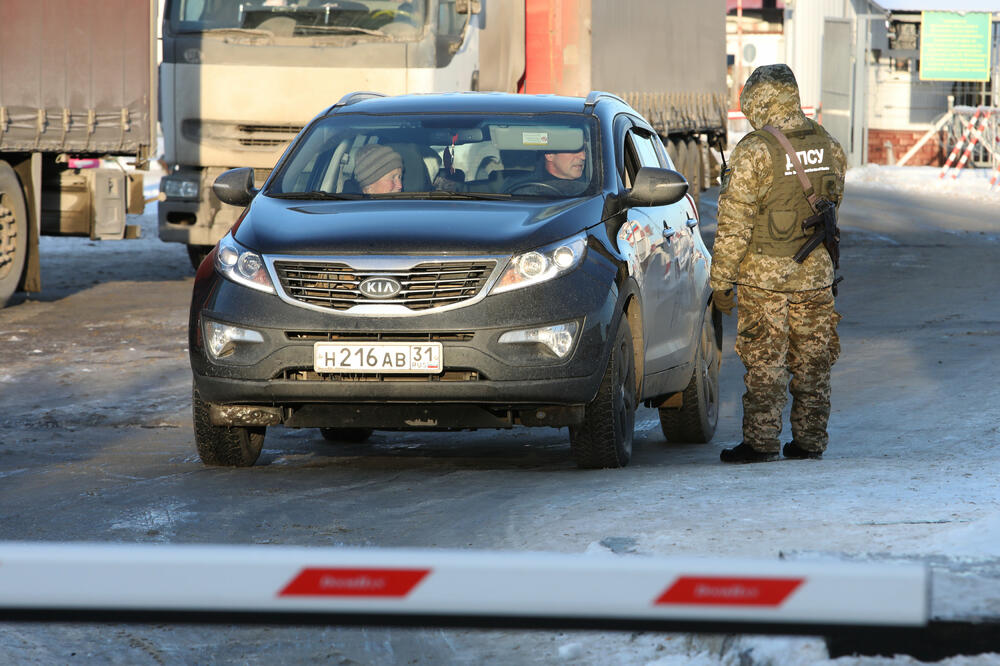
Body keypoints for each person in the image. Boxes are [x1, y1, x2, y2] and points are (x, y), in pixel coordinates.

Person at [710, 63, 846, 464]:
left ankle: (762, 442)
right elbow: (832, 204)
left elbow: (735, 223)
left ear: (759, 100)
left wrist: (722, 281)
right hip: (816, 275)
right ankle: (809, 441)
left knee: (764, 361)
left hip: (764, 279)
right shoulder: (829, 145)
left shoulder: (754, 150)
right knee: (813, 360)